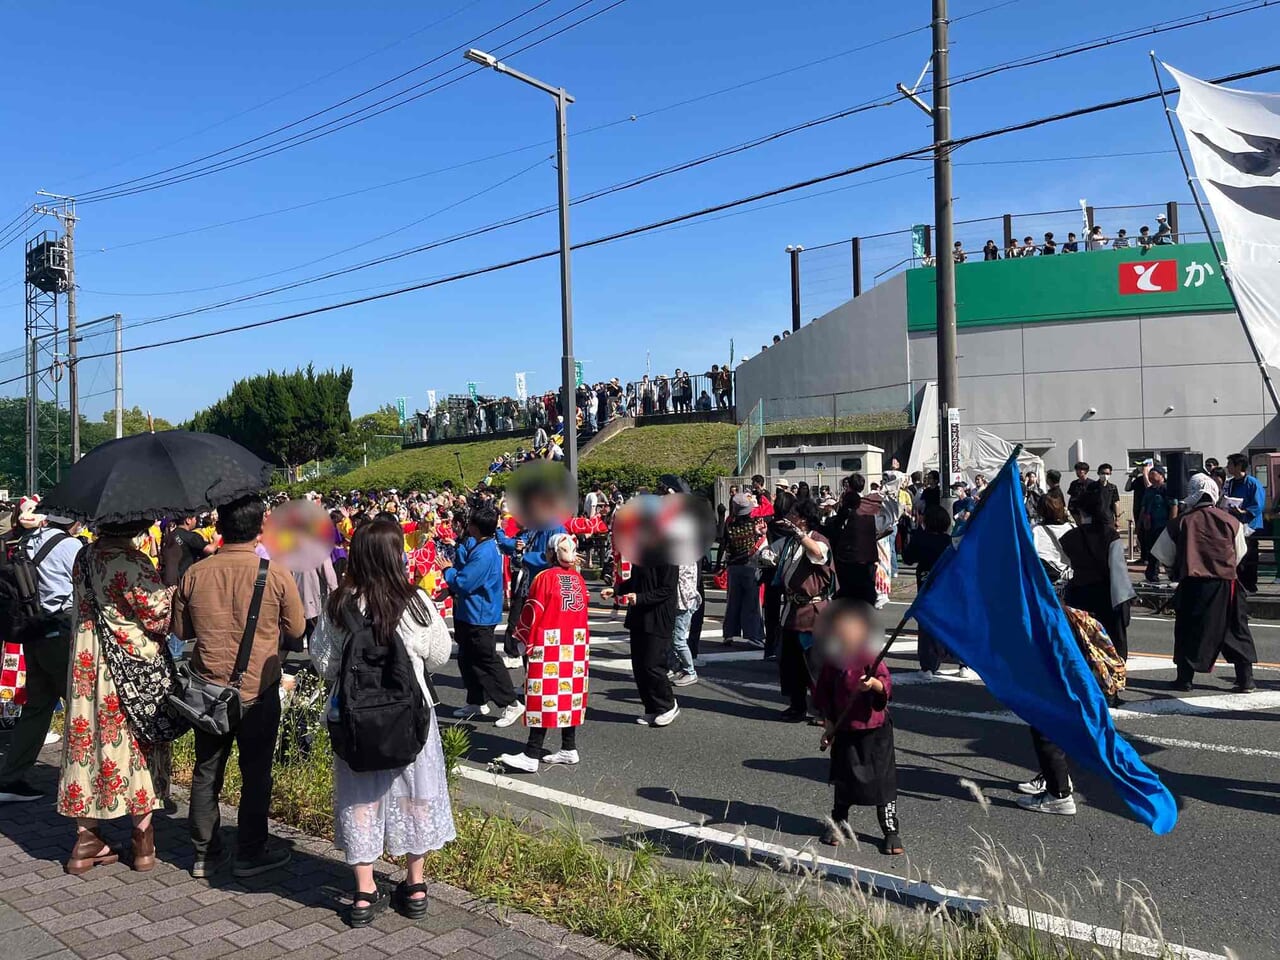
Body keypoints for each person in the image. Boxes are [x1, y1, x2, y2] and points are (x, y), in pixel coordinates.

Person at [311, 518, 455, 926]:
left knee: (360, 799)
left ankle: (363, 890)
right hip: (411, 719)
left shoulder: (338, 604)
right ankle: (415, 884)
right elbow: (440, 655)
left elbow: (324, 665)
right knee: (417, 795)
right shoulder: (416, 602)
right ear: (396, 556)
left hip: (355, 722)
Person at [173, 495, 307, 879]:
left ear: (218, 528)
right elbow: (297, 630)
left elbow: (181, 632)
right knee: (256, 772)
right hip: (258, 690)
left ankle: (204, 852)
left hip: (208, 692)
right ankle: (250, 850)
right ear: (261, 528)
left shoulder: (196, 573)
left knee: (206, 771)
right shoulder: (275, 573)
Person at [55, 521, 172, 874]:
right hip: (129, 669)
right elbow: (158, 617)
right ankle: (142, 839)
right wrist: (172, 591)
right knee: (137, 743)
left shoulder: (83, 557)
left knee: (85, 741)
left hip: (87, 664)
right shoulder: (134, 562)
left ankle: (86, 838)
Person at [0, 501, 83, 804]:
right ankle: (81, 780)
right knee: (79, 707)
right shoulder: (72, 546)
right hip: (60, 633)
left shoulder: (29, 539)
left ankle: (10, 777)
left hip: (31, 630)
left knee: (36, 707)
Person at [1151, 473, 1257, 693]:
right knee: (1235, 630)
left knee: (1189, 630)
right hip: (1227, 584)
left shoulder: (1181, 521)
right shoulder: (1231, 521)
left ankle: (1185, 679)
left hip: (1193, 584)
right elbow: (1239, 553)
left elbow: (1163, 554)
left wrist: (1176, 567)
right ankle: (1245, 679)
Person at [813, 601, 902, 855]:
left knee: (883, 783)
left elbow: (885, 685)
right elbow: (825, 697)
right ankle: (839, 823)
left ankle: (890, 831)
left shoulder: (870, 658)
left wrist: (873, 684)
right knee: (843, 779)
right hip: (845, 730)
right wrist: (829, 727)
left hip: (875, 731)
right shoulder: (833, 661)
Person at [499, 533, 591, 770]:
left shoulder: (545, 577)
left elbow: (532, 612)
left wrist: (520, 640)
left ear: (550, 553)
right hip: (576, 644)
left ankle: (531, 754)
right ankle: (569, 747)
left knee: (543, 696)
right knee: (569, 697)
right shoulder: (579, 580)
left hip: (549, 644)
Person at [442, 504, 522, 723]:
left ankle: (511, 703)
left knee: (486, 660)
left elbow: (464, 582)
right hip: (471, 611)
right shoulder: (483, 545)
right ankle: (476, 700)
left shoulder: (484, 552)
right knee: (468, 658)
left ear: (475, 527)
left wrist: (447, 570)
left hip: (480, 613)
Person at [1061, 482, 1135, 680]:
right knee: (1109, 644)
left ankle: (1086, 684)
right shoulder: (1110, 535)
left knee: (1083, 643)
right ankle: (1112, 686)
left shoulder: (1069, 537)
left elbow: (1063, 565)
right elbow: (1119, 572)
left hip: (1079, 596)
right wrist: (1123, 604)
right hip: (1107, 596)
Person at [774, 499, 835, 723]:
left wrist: (800, 534)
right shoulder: (790, 542)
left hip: (813, 611)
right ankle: (796, 706)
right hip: (792, 608)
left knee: (815, 665)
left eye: (793, 513)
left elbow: (818, 554)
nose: (789, 516)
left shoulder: (819, 540)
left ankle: (823, 711)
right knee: (791, 663)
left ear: (803, 518)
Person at [903, 505, 965, 675]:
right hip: (948, 588)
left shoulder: (921, 539)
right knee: (953, 623)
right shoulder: (950, 541)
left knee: (927, 625)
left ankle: (929, 665)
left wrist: (915, 537)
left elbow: (908, 558)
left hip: (926, 586)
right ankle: (962, 663)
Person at [621, 548, 679, 727]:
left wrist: (640, 598)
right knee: (639, 665)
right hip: (639, 616)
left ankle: (668, 705)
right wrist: (616, 589)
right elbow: (635, 581)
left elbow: (667, 589)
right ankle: (651, 708)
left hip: (658, 616)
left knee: (652, 664)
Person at [716, 494, 765, 648]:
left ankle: (729, 633)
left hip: (732, 566)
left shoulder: (729, 524)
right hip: (750, 566)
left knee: (732, 602)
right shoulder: (754, 524)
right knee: (752, 602)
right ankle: (754, 635)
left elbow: (722, 541)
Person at [828, 474, 882, 604]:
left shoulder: (848, 505)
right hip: (868, 556)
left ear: (849, 486)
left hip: (848, 557)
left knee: (849, 595)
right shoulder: (871, 506)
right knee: (866, 594)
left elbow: (837, 527)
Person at [1223, 453, 1263, 594]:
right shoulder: (1231, 482)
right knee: (1236, 554)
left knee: (1249, 556)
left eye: (1230, 464)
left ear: (1238, 466)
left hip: (1250, 525)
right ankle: (1239, 583)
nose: (1227, 467)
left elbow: (1258, 505)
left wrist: (1244, 511)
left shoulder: (1252, 482)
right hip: (1235, 523)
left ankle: (1250, 584)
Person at [669, 558, 701, 686]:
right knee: (672, 639)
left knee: (678, 640)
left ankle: (690, 672)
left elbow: (674, 573)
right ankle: (677, 668)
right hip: (682, 601)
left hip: (684, 601)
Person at [160, 516, 215, 587]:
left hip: (167, 579)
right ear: (188, 520)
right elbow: (209, 549)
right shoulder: (190, 536)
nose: (197, 520)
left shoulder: (171, 535)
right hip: (183, 580)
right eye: (195, 518)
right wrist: (216, 539)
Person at [1138, 466, 1171, 583]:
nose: (1151, 476)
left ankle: (1172, 574)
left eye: (1154, 473)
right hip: (1150, 525)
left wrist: (1171, 523)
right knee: (1152, 551)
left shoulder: (1166, 489)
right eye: (1150, 474)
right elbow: (1144, 507)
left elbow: (1173, 506)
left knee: (1166, 552)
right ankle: (1151, 574)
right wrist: (1140, 523)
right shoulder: (1149, 490)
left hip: (1163, 525)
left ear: (1161, 475)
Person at [1096, 463, 1120, 528]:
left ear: (1110, 474)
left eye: (1107, 473)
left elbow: (1116, 503)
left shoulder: (1113, 488)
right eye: (1102, 473)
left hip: (1108, 519)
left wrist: (1117, 519)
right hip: (1095, 520)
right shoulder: (1092, 487)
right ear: (1098, 473)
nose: (1105, 475)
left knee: (1109, 537)